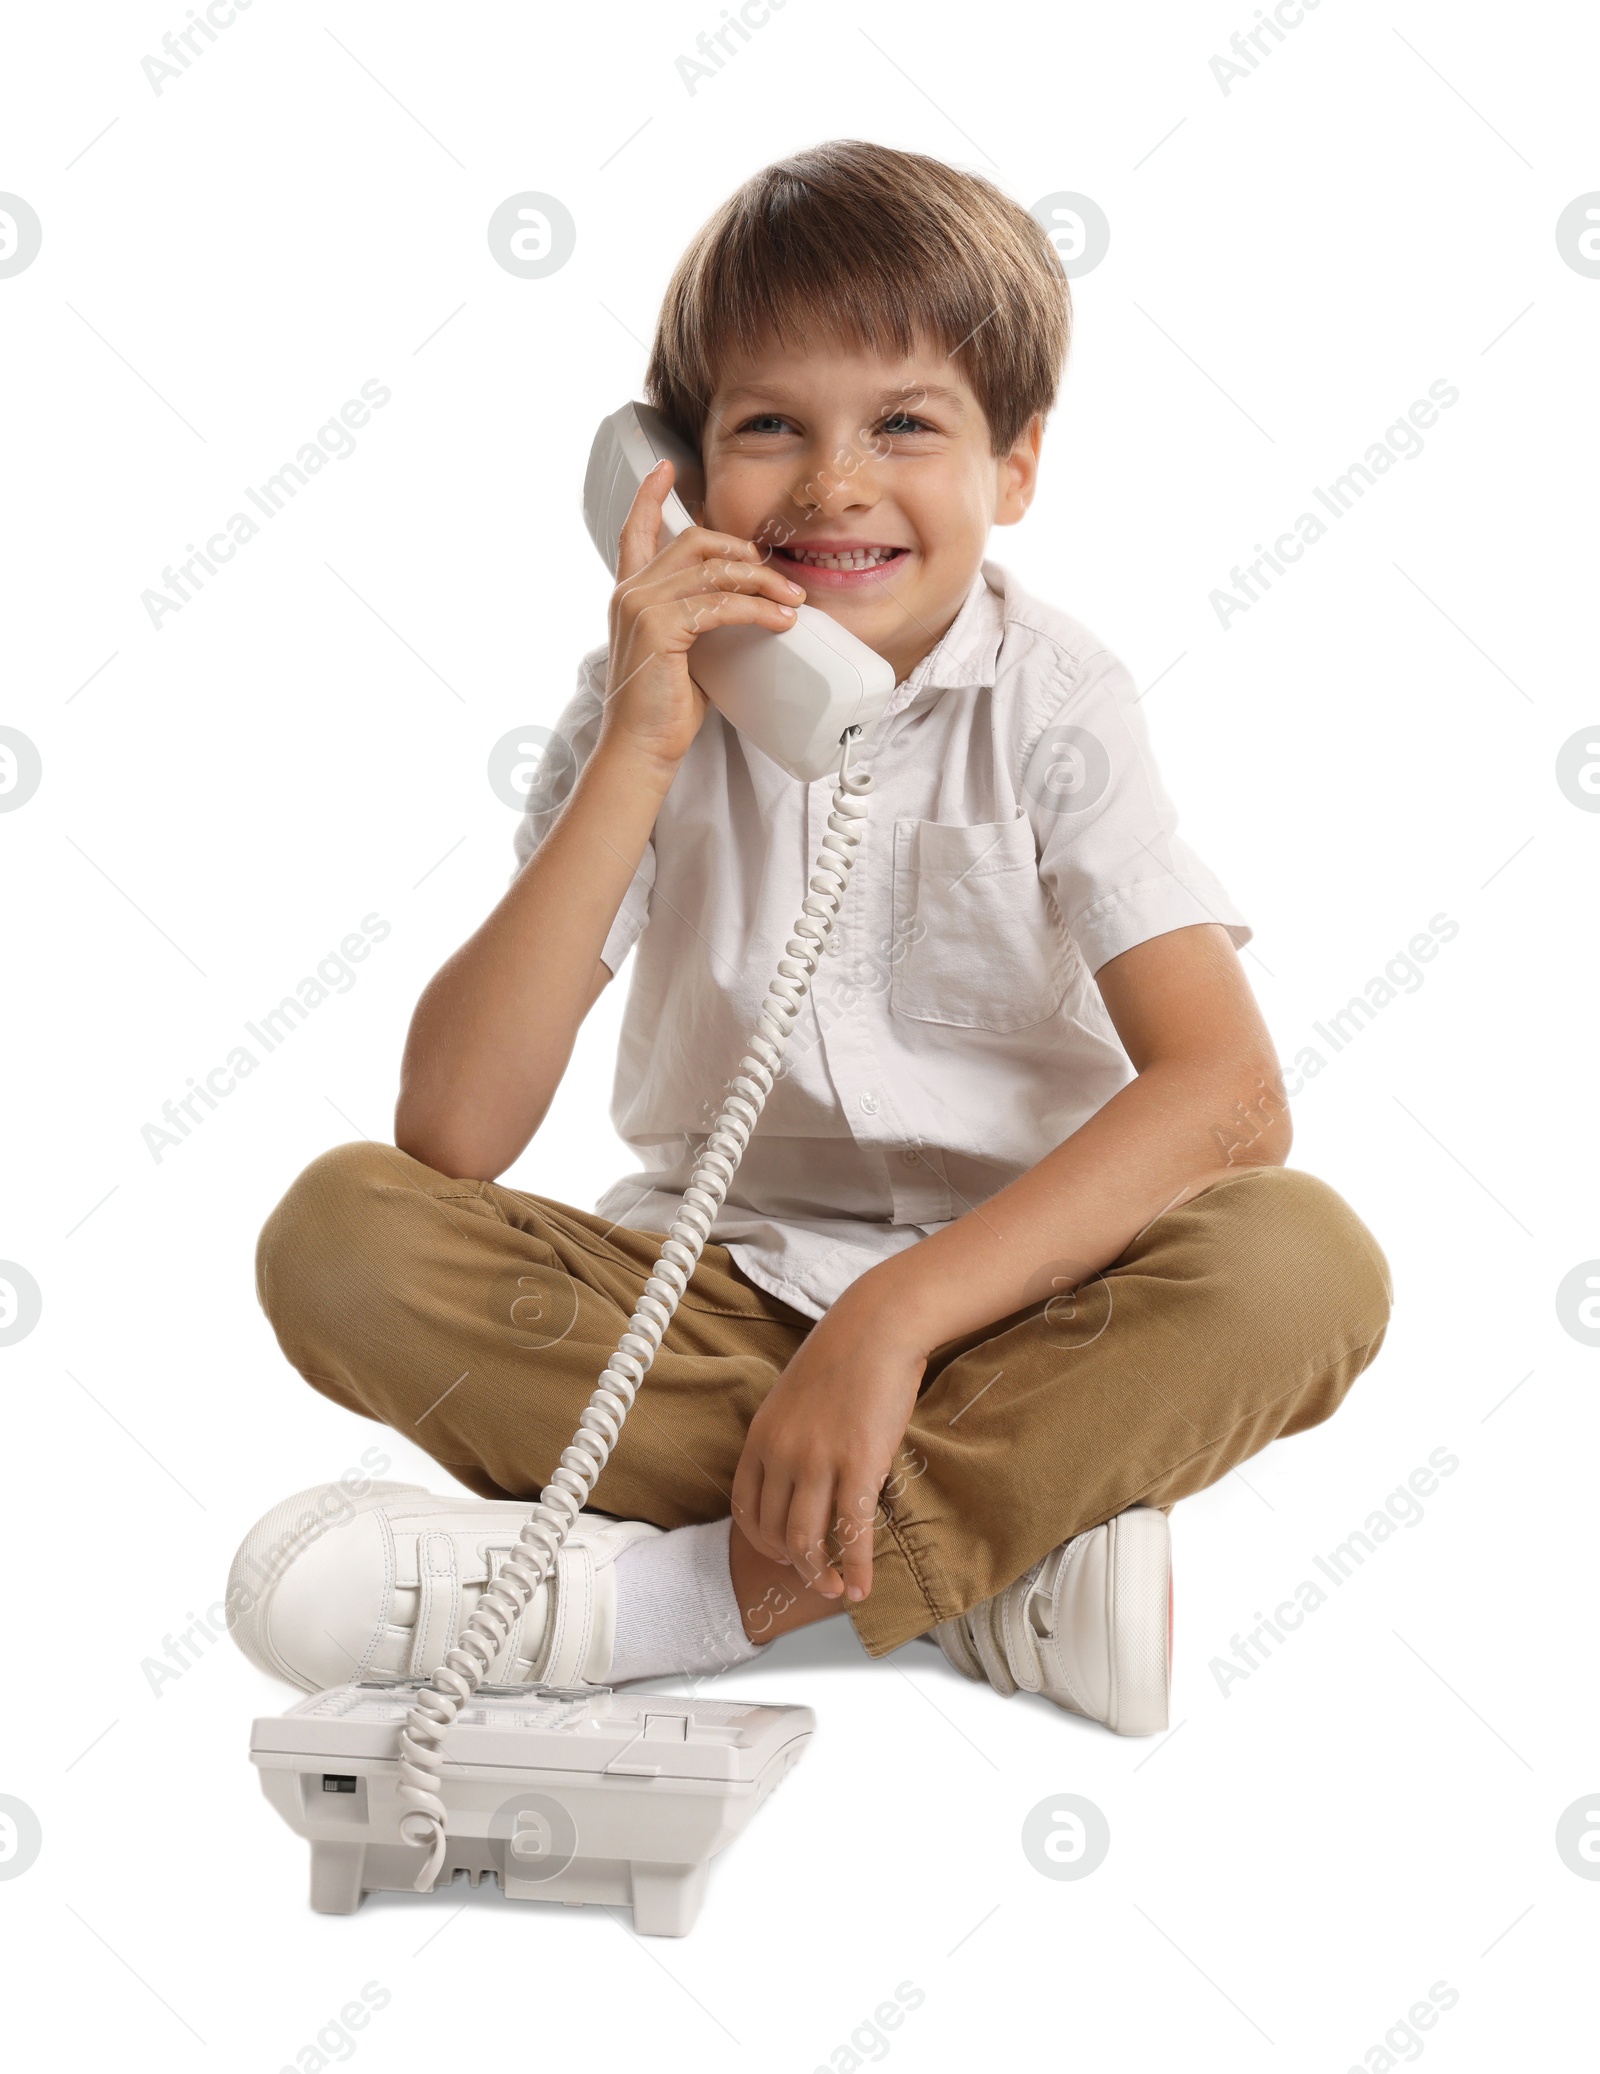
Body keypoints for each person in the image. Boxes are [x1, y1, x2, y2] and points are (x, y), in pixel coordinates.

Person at [230, 139, 1392, 1736]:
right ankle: (1002, 1555)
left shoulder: (1057, 703)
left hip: (1019, 1306)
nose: (835, 484)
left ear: (1019, 466)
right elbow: (454, 1126)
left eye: (906, 424)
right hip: (710, 1304)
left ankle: (676, 1603)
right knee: (339, 1236)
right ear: (674, 472)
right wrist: (641, 744)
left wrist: (893, 1322)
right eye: (770, 427)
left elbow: (1230, 1095)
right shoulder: (644, 702)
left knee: (1300, 1259)